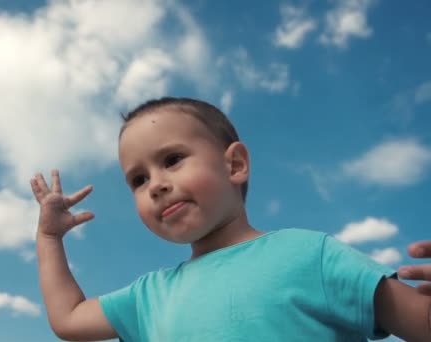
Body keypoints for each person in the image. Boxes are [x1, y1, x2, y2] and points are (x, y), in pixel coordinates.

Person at [31, 97, 431, 341]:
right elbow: (68, 320)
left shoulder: (311, 255)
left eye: (171, 160)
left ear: (235, 164)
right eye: (139, 179)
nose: (156, 184)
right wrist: (49, 239)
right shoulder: (147, 297)